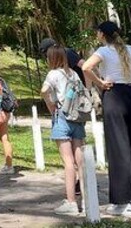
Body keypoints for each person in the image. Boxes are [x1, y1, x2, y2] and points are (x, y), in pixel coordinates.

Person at [82, 21, 131, 216]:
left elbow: (86, 67)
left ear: (101, 34)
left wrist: (100, 82)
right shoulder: (129, 50)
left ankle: (123, 201)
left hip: (114, 95)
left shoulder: (103, 51)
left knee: (118, 148)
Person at [42, 45, 85, 215]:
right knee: (80, 162)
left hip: (62, 117)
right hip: (77, 118)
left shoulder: (53, 74)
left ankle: (71, 202)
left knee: (68, 162)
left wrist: (50, 104)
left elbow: (44, 90)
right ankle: (87, 198)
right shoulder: (73, 74)